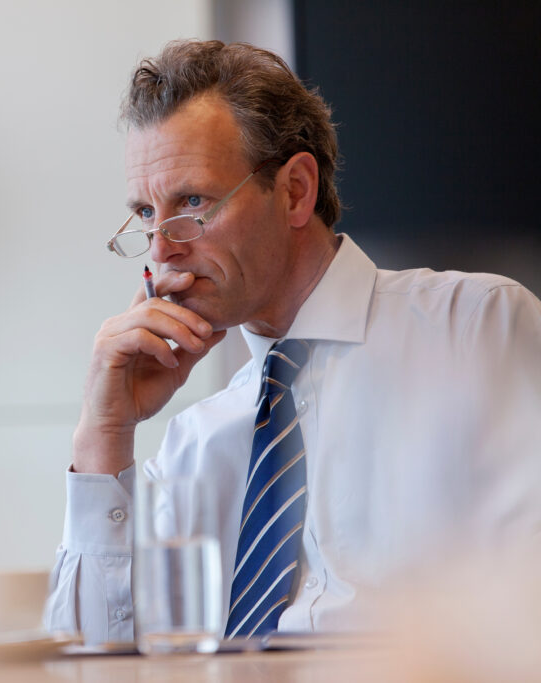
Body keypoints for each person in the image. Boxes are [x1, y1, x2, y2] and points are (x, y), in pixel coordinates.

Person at [43, 39, 541, 645]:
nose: (160, 248)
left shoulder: (476, 330)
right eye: (146, 213)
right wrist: (103, 436)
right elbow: (89, 656)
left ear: (296, 191)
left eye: (192, 202)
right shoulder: (196, 445)